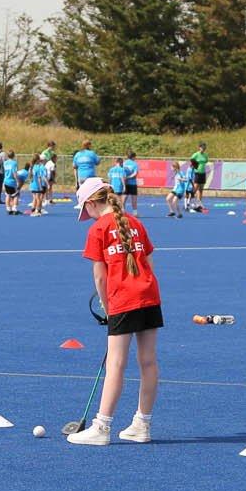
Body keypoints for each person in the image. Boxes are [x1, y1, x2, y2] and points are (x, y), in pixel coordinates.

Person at [67, 177, 163, 446]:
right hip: (149, 296)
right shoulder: (136, 223)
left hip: (123, 299)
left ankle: (102, 427)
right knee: (148, 361)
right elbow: (150, 264)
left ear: (90, 203)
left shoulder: (98, 229)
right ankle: (142, 424)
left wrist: (108, 309)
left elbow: (100, 277)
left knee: (116, 364)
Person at [190, 142, 210, 212]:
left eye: (204, 148)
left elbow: (206, 161)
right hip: (197, 173)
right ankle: (189, 202)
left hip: (203, 173)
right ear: (199, 148)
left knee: (201, 189)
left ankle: (198, 204)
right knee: (195, 188)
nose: (203, 149)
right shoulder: (196, 154)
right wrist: (195, 166)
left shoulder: (206, 155)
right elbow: (191, 160)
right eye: (202, 148)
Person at [2, 150, 22, 215]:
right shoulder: (14, 163)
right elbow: (14, 173)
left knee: (8, 195)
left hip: (6, 181)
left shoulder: (5, 163)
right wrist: (18, 181)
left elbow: (5, 171)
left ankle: (8, 208)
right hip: (12, 181)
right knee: (16, 195)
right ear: (13, 155)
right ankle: (14, 208)